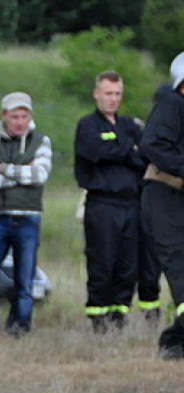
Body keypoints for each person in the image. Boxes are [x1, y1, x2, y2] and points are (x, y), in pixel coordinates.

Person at [0, 91, 52, 334]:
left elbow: (39, 176)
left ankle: (20, 325)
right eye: (14, 116)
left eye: (24, 116)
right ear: (3, 116)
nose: (19, 122)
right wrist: (20, 173)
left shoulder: (41, 141)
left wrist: (3, 168)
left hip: (28, 217)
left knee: (24, 278)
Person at [74, 71, 146, 333]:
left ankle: (119, 314)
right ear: (96, 94)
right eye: (108, 93)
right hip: (102, 204)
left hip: (131, 203)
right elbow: (95, 153)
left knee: (128, 266)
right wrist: (127, 150)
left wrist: (121, 149)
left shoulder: (129, 125)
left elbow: (143, 158)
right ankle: (99, 318)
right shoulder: (88, 126)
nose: (113, 99)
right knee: (102, 262)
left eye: (117, 94)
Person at [141, 53, 184, 359]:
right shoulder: (172, 104)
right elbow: (152, 144)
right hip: (165, 201)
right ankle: (173, 343)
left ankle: (175, 343)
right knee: (181, 272)